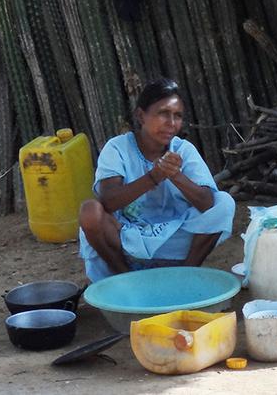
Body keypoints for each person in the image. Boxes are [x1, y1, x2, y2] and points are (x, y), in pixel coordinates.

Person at [77, 78, 235, 283]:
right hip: (125, 237)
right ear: (141, 116)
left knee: (224, 203)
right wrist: (154, 176)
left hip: (171, 238)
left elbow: (207, 203)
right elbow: (107, 200)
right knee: (90, 212)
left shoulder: (183, 149)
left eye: (177, 116)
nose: (171, 123)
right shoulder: (117, 148)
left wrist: (175, 175)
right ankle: (124, 278)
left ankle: (185, 275)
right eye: (163, 114)